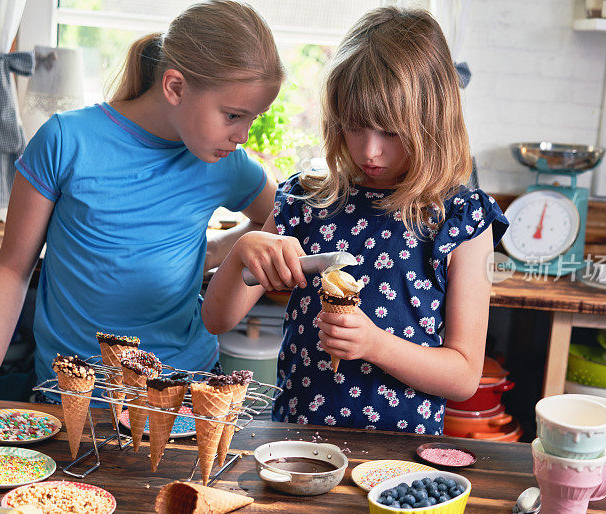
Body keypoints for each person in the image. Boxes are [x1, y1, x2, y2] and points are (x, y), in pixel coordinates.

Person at [0, 0, 284, 404]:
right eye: (232, 116)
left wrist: (220, 250)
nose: (243, 135)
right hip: (73, 392)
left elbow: (284, 218)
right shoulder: (65, 140)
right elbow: (13, 268)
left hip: (186, 391)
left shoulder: (227, 163)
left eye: (253, 119)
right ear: (175, 86)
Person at [201, 6, 509, 434]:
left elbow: (462, 377)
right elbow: (217, 320)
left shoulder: (459, 219)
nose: (369, 152)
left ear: (432, 123)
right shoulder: (308, 200)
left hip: (400, 464)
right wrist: (240, 254)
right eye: (354, 127)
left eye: (391, 132)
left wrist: (374, 345)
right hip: (297, 442)